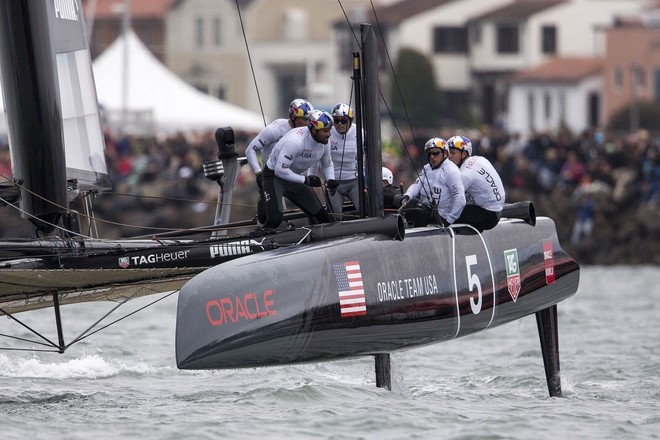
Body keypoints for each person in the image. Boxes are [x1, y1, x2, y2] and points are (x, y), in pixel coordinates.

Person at [261, 109, 338, 229]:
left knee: (321, 217)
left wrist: (331, 179)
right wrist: (306, 180)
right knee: (275, 219)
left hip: (294, 177)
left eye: (329, 130)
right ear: (313, 130)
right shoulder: (295, 142)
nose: (329, 134)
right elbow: (280, 170)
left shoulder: (324, 141)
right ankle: (260, 237)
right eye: (325, 131)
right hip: (274, 177)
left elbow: (327, 164)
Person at [246, 98, 314, 223]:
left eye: (308, 119)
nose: (306, 123)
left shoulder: (308, 132)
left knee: (315, 211)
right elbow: (250, 150)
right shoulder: (274, 129)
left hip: (292, 177)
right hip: (270, 177)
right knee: (265, 217)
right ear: (293, 117)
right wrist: (258, 172)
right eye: (304, 119)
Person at [399, 138, 465, 227]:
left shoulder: (451, 171)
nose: (432, 157)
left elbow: (460, 199)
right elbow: (417, 185)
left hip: (441, 216)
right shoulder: (427, 168)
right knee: (403, 212)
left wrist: (448, 221)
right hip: (426, 209)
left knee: (409, 216)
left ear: (445, 153)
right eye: (429, 154)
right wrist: (407, 196)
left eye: (435, 153)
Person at [308, 103, 359, 216]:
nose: (339, 124)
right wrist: (310, 177)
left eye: (343, 120)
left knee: (364, 211)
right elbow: (316, 156)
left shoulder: (360, 133)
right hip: (333, 183)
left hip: (354, 181)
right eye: (336, 121)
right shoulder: (326, 132)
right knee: (335, 216)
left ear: (351, 121)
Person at [447, 135, 505, 231]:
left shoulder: (465, 174)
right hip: (495, 209)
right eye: (448, 153)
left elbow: (446, 197)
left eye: (453, 153)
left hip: (489, 216)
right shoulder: (478, 159)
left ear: (464, 154)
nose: (449, 157)